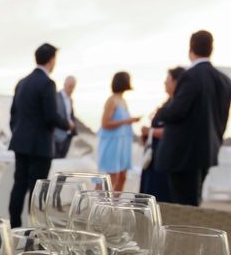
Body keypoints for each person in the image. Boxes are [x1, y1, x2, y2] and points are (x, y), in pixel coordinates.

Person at [155, 30, 231, 206]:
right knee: (194, 202)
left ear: (191, 49)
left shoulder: (190, 75)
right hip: (208, 151)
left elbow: (176, 111)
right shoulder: (224, 80)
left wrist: (160, 112)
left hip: (183, 154)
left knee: (182, 204)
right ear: (211, 49)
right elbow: (222, 118)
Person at [8, 43, 72, 227]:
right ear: (52, 60)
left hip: (20, 142)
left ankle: (15, 227)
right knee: (38, 190)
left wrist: (19, 134)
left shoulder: (22, 82)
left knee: (19, 185)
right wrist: (68, 124)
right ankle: (33, 231)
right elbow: (51, 116)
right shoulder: (47, 83)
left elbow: (13, 115)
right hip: (40, 145)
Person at [139, 66, 186, 202]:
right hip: (153, 157)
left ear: (176, 82)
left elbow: (173, 131)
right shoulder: (167, 104)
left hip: (165, 159)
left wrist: (150, 131)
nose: (165, 83)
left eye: (168, 80)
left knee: (161, 195)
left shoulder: (178, 106)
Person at [97, 72, 140, 191]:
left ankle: (114, 206)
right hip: (113, 142)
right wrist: (127, 121)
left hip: (124, 142)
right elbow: (105, 124)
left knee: (122, 176)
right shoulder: (112, 100)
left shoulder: (123, 100)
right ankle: (97, 205)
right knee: (111, 176)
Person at [53, 76, 78, 158]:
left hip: (68, 136)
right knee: (55, 162)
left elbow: (70, 115)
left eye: (73, 87)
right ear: (64, 84)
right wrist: (68, 124)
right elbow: (55, 116)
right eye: (70, 86)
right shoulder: (56, 97)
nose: (71, 89)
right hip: (57, 136)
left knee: (62, 161)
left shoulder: (70, 100)